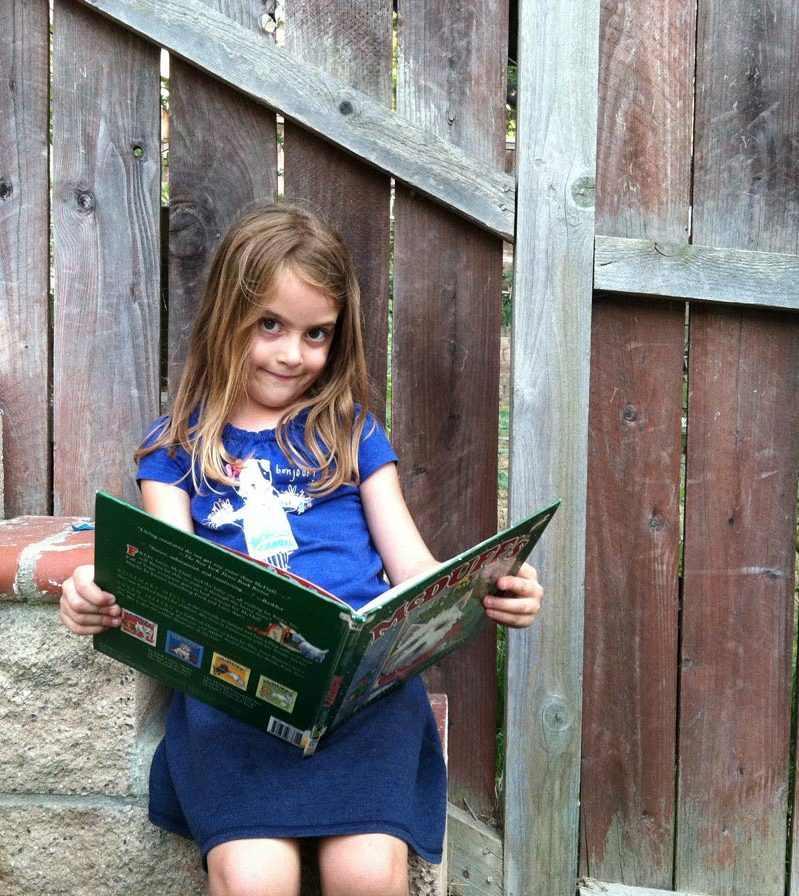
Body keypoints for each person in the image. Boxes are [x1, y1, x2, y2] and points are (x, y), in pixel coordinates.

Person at [59, 202, 543, 896]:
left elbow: (414, 568)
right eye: (270, 325)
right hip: (236, 701)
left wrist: (491, 586)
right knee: (253, 879)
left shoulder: (352, 434)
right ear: (226, 316)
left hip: (360, 705)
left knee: (367, 874)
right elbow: (163, 580)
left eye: (316, 334)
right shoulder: (175, 449)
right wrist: (95, 595)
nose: (293, 354)